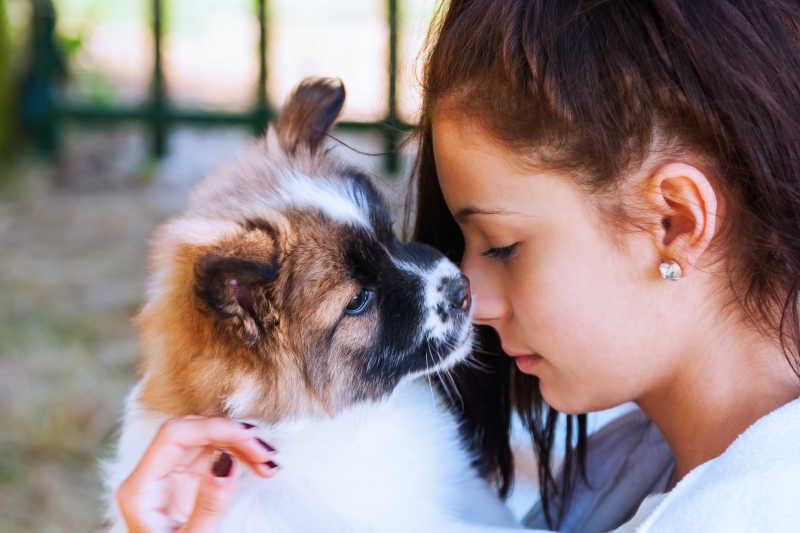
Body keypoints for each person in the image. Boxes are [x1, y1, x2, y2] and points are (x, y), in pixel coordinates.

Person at [116, 1, 800, 531]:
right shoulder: (651, 453)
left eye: (502, 244)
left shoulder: (750, 505)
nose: (468, 289)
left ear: (675, 220)